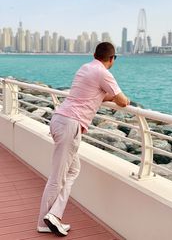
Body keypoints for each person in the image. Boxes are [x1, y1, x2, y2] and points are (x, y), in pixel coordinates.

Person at [37, 42, 130, 236]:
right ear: (112, 59)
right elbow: (122, 101)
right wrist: (122, 99)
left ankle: (54, 215)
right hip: (70, 124)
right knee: (57, 177)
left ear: (94, 54)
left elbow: (91, 96)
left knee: (73, 170)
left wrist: (107, 96)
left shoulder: (85, 68)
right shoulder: (104, 73)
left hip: (60, 119)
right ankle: (44, 222)